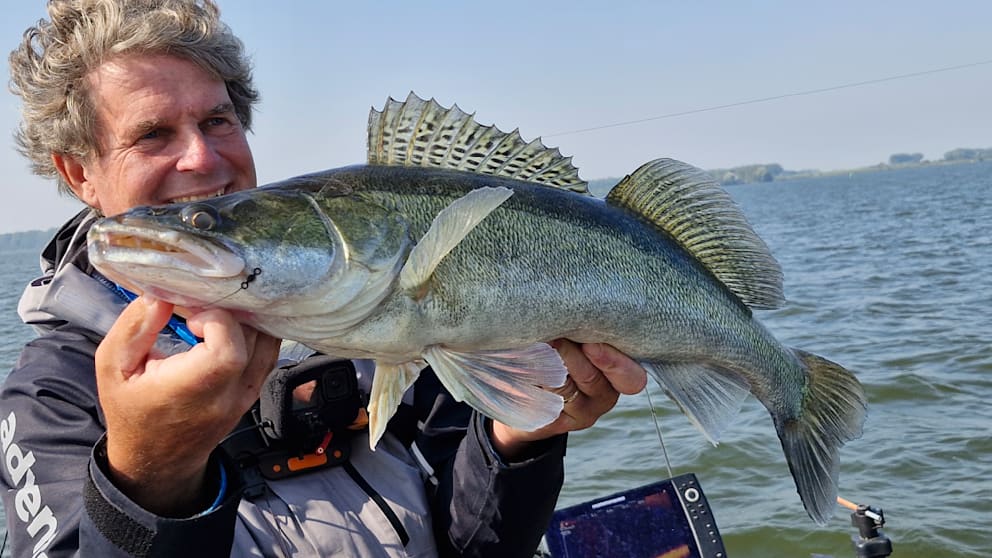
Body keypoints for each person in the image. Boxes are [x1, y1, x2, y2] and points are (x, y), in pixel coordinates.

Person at [0, 1, 647, 557]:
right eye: (152, 133)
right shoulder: (50, 398)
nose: (200, 155)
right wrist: (151, 476)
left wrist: (516, 438)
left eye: (217, 120)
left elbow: (476, 543)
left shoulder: (356, 300)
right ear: (79, 172)